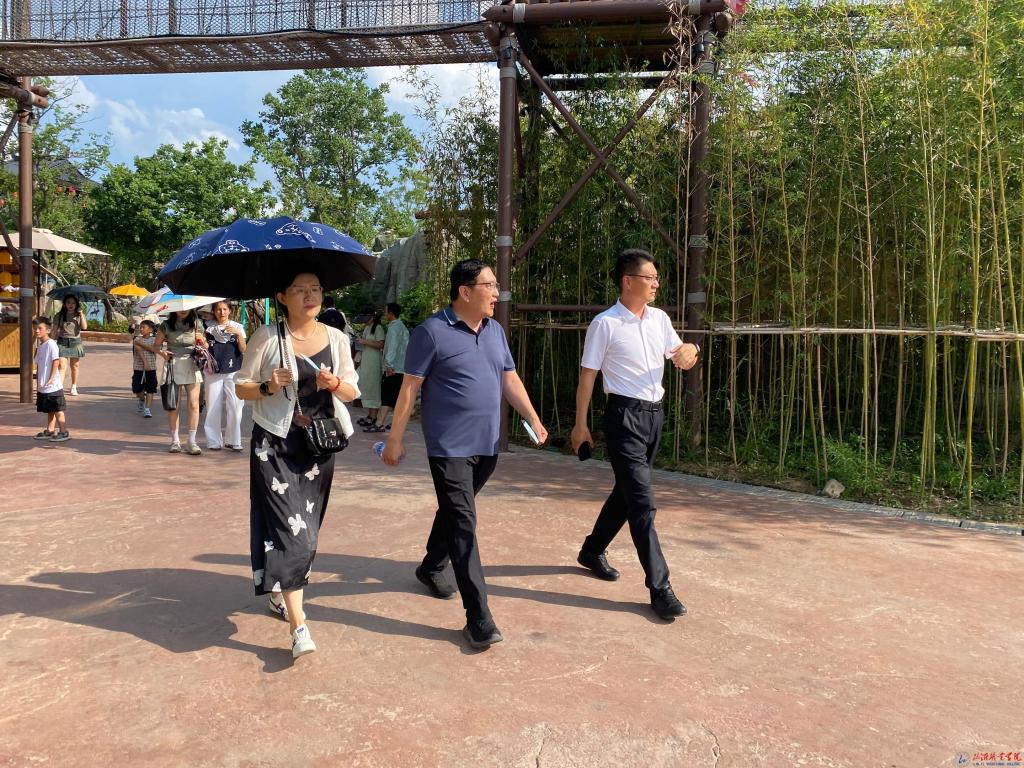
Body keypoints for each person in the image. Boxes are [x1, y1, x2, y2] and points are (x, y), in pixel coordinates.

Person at [382, 259, 548, 649]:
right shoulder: (431, 332)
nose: (496, 293)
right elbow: (409, 388)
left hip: (487, 444)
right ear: (465, 291)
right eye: (490, 286)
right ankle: (479, 618)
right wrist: (395, 438)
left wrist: (533, 417)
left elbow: (509, 377)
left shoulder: (495, 331)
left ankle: (430, 566)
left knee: (457, 510)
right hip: (449, 446)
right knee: (463, 522)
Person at [235, 270, 359, 660]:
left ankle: (280, 592)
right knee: (295, 534)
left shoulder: (337, 338)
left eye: (316, 289)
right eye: (300, 290)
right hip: (274, 445)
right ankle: (298, 626)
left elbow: (353, 391)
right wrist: (268, 385)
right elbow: (241, 386)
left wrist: (333, 384)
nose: (310, 296)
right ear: (282, 297)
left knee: (308, 532)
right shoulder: (267, 337)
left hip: (318, 448)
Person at [570, 248, 700, 620]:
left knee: (627, 494)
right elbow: (588, 376)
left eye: (657, 278)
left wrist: (691, 349)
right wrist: (580, 425)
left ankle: (592, 550)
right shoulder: (605, 324)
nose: (656, 284)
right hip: (623, 417)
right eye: (650, 278)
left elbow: (682, 357)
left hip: (654, 416)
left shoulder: (660, 319)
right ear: (628, 281)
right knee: (642, 503)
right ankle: (660, 588)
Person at [154, 308, 208, 455]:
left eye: (186, 308)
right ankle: (175, 440)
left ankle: (192, 441)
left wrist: (202, 340)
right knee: (174, 405)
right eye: (180, 308)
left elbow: (206, 346)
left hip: (192, 363)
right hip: (173, 364)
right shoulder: (166, 325)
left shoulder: (197, 323)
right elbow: (156, 346)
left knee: (194, 404)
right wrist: (163, 353)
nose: (183, 310)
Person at [203, 301, 248, 451]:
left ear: (229, 310)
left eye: (224, 309)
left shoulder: (237, 327)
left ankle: (233, 440)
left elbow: (243, 349)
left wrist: (238, 334)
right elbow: (205, 347)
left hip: (234, 370)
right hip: (213, 371)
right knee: (212, 405)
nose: (221, 312)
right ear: (214, 311)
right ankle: (213, 441)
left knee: (236, 405)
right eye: (218, 310)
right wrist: (202, 341)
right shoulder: (207, 327)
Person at [366, 301, 409, 433]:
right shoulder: (402, 327)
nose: (384, 314)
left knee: (387, 396)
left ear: (391, 313)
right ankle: (396, 423)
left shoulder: (394, 328)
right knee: (395, 396)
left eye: (386, 311)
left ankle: (379, 423)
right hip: (401, 367)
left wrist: (389, 365)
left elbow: (392, 347)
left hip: (393, 368)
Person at [32, 316, 69, 442]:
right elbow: (38, 364)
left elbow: (56, 361)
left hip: (53, 385)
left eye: (40, 328)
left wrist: (52, 378)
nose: (37, 331)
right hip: (44, 386)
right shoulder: (40, 346)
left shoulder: (51, 344)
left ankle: (63, 432)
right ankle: (50, 430)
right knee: (50, 409)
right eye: (35, 328)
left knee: (58, 409)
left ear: (48, 330)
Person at [355, 309, 385, 427]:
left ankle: (373, 416)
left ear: (372, 317)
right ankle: (370, 414)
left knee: (374, 388)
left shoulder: (378, 328)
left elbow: (381, 344)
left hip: (374, 362)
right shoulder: (367, 328)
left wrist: (365, 341)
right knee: (367, 387)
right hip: (366, 361)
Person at [53, 294, 86, 396]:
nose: (71, 305)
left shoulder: (79, 315)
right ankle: (59, 388)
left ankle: (74, 386)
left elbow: (84, 327)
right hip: (62, 342)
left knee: (74, 366)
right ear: (64, 304)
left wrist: (81, 314)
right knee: (61, 365)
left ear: (76, 304)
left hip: (75, 342)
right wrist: (50, 341)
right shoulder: (59, 315)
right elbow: (54, 330)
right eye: (68, 302)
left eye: (73, 303)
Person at [131, 319, 159, 418]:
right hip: (138, 368)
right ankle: (142, 399)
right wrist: (145, 363)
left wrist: (142, 345)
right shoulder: (137, 339)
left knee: (151, 389)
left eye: (143, 327)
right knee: (137, 389)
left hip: (151, 368)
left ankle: (147, 409)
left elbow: (154, 349)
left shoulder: (154, 340)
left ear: (150, 329)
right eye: (140, 327)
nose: (141, 329)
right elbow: (139, 351)